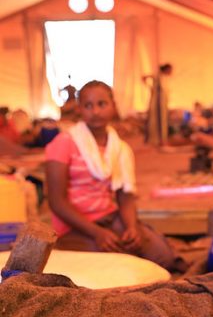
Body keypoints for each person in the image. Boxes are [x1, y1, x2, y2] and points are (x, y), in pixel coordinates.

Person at [45, 80, 186, 271]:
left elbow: (125, 195)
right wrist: (97, 233)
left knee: (162, 256)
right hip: (75, 226)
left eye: (102, 104)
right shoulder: (64, 143)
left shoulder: (120, 148)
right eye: (88, 105)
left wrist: (131, 227)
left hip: (109, 218)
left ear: (113, 106)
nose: (95, 111)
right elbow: (56, 201)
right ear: (80, 109)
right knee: (120, 262)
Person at [143, 63, 172, 146]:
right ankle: (155, 140)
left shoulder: (165, 78)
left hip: (163, 104)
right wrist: (150, 88)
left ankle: (161, 140)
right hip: (157, 104)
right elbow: (144, 77)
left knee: (162, 121)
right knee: (155, 121)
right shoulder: (157, 76)